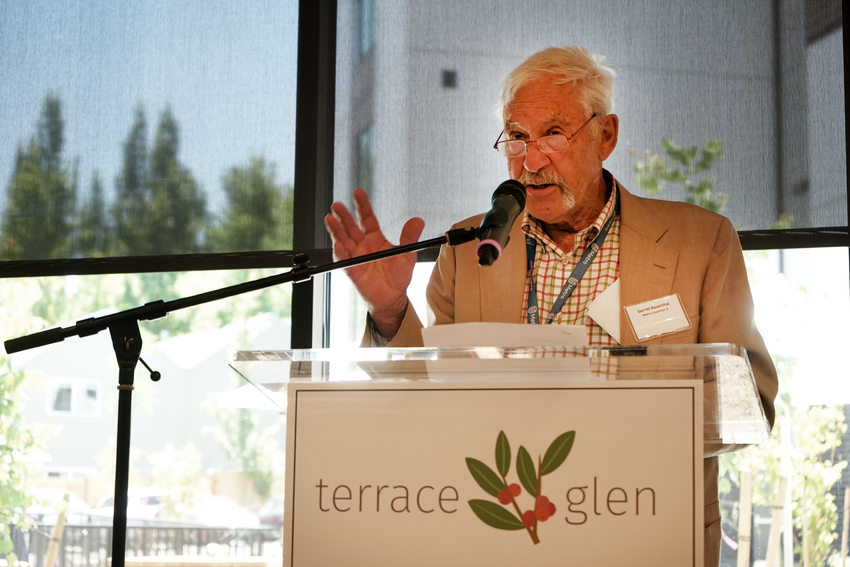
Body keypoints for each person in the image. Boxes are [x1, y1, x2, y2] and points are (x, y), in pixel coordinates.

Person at [325, 46, 778, 566]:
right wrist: (388, 312)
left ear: (605, 135)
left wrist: (600, 418)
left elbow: (753, 400)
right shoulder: (470, 248)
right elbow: (421, 405)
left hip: (646, 529)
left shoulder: (698, 242)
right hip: (498, 532)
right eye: (516, 136)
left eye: (553, 134)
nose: (531, 160)